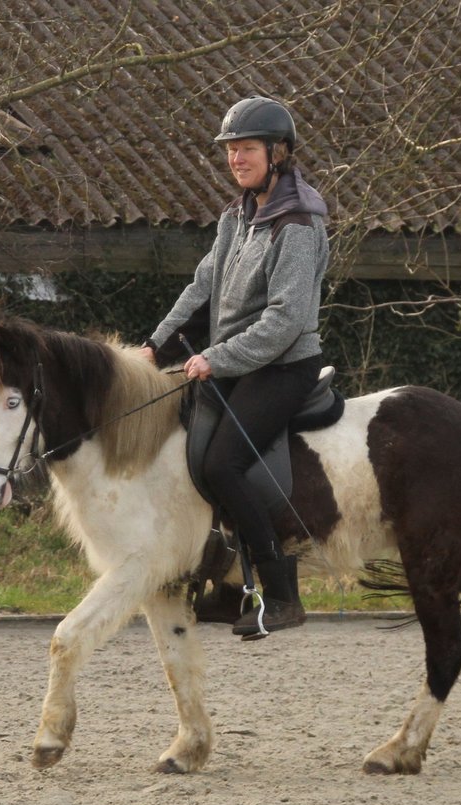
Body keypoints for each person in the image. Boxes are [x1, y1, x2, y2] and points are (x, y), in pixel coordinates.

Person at [138, 96, 329, 638]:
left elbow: (286, 319)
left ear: (278, 152)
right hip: (237, 365)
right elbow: (203, 289)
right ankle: (225, 588)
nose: (236, 159)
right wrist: (157, 346)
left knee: (223, 465)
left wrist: (216, 358)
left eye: (246, 149)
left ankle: (284, 596)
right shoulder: (238, 215)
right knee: (193, 456)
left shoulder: (297, 221)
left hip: (283, 367)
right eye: (230, 151)